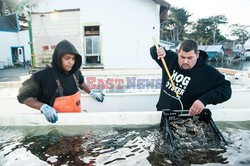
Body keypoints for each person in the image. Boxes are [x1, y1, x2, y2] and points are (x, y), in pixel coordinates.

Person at [17, 40, 105, 123]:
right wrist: (43, 107)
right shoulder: (42, 76)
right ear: (58, 58)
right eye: (67, 58)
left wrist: (91, 93)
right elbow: (22, 96)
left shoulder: (75, 72)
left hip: (76, 121)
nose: (71, 62)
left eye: (73, 58)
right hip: (55, 125)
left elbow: (81, 82)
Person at [150, 39, 232, 115]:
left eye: (189, 58)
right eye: (182, 57)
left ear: (197, 55)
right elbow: (153, 49)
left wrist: (204, 100)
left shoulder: (207, 72)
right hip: (162, 113)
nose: (185, 61)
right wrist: (160, 49)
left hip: (185, 117)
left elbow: (226, 90)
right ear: (178, 52)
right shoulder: (170, 58)